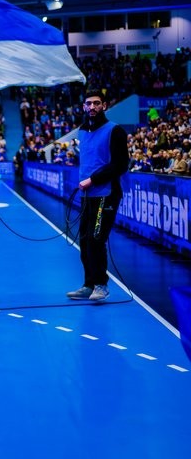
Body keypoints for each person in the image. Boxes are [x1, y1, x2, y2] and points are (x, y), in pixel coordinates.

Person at [67, 90, 129, 302]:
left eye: (96, 103)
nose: (92, 107)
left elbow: (120, 164)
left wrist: (93, 180)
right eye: (88, 104)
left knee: (96, 239)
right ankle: (89, 284)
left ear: (104, 105)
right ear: (83, 107)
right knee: (83, 241)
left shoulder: (115, 131)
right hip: (87, 196)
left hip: (106, 194)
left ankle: (101, 285)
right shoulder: (82, 131)